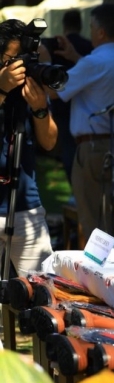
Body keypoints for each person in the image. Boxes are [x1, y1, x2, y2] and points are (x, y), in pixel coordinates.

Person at [45, 3, 114, 245]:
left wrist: (42, 64)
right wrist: (76, 56)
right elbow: (98, 75)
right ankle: (111, 274)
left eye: (92, 26)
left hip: (94, 149)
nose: (90, 30)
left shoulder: (94, 63)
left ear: (101, 33)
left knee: (93, 224)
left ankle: (99, 277)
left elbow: (55, 91)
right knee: (107, 219)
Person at [0, 19, 58, 275]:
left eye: (26, 59)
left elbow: (49, 141)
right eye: (14, 58)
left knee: (40, 298)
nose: (21, 67)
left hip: (26, 207)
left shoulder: (29, 88)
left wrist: (39, 109)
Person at [44, 9, 93, 184]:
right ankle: (78, 188)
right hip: (84, 105)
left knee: (67, 149)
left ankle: (76, 188)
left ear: (64, 26)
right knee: (80, 150)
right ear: (80, 25)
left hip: (62, 105)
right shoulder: (88, 47)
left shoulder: (57, 47)